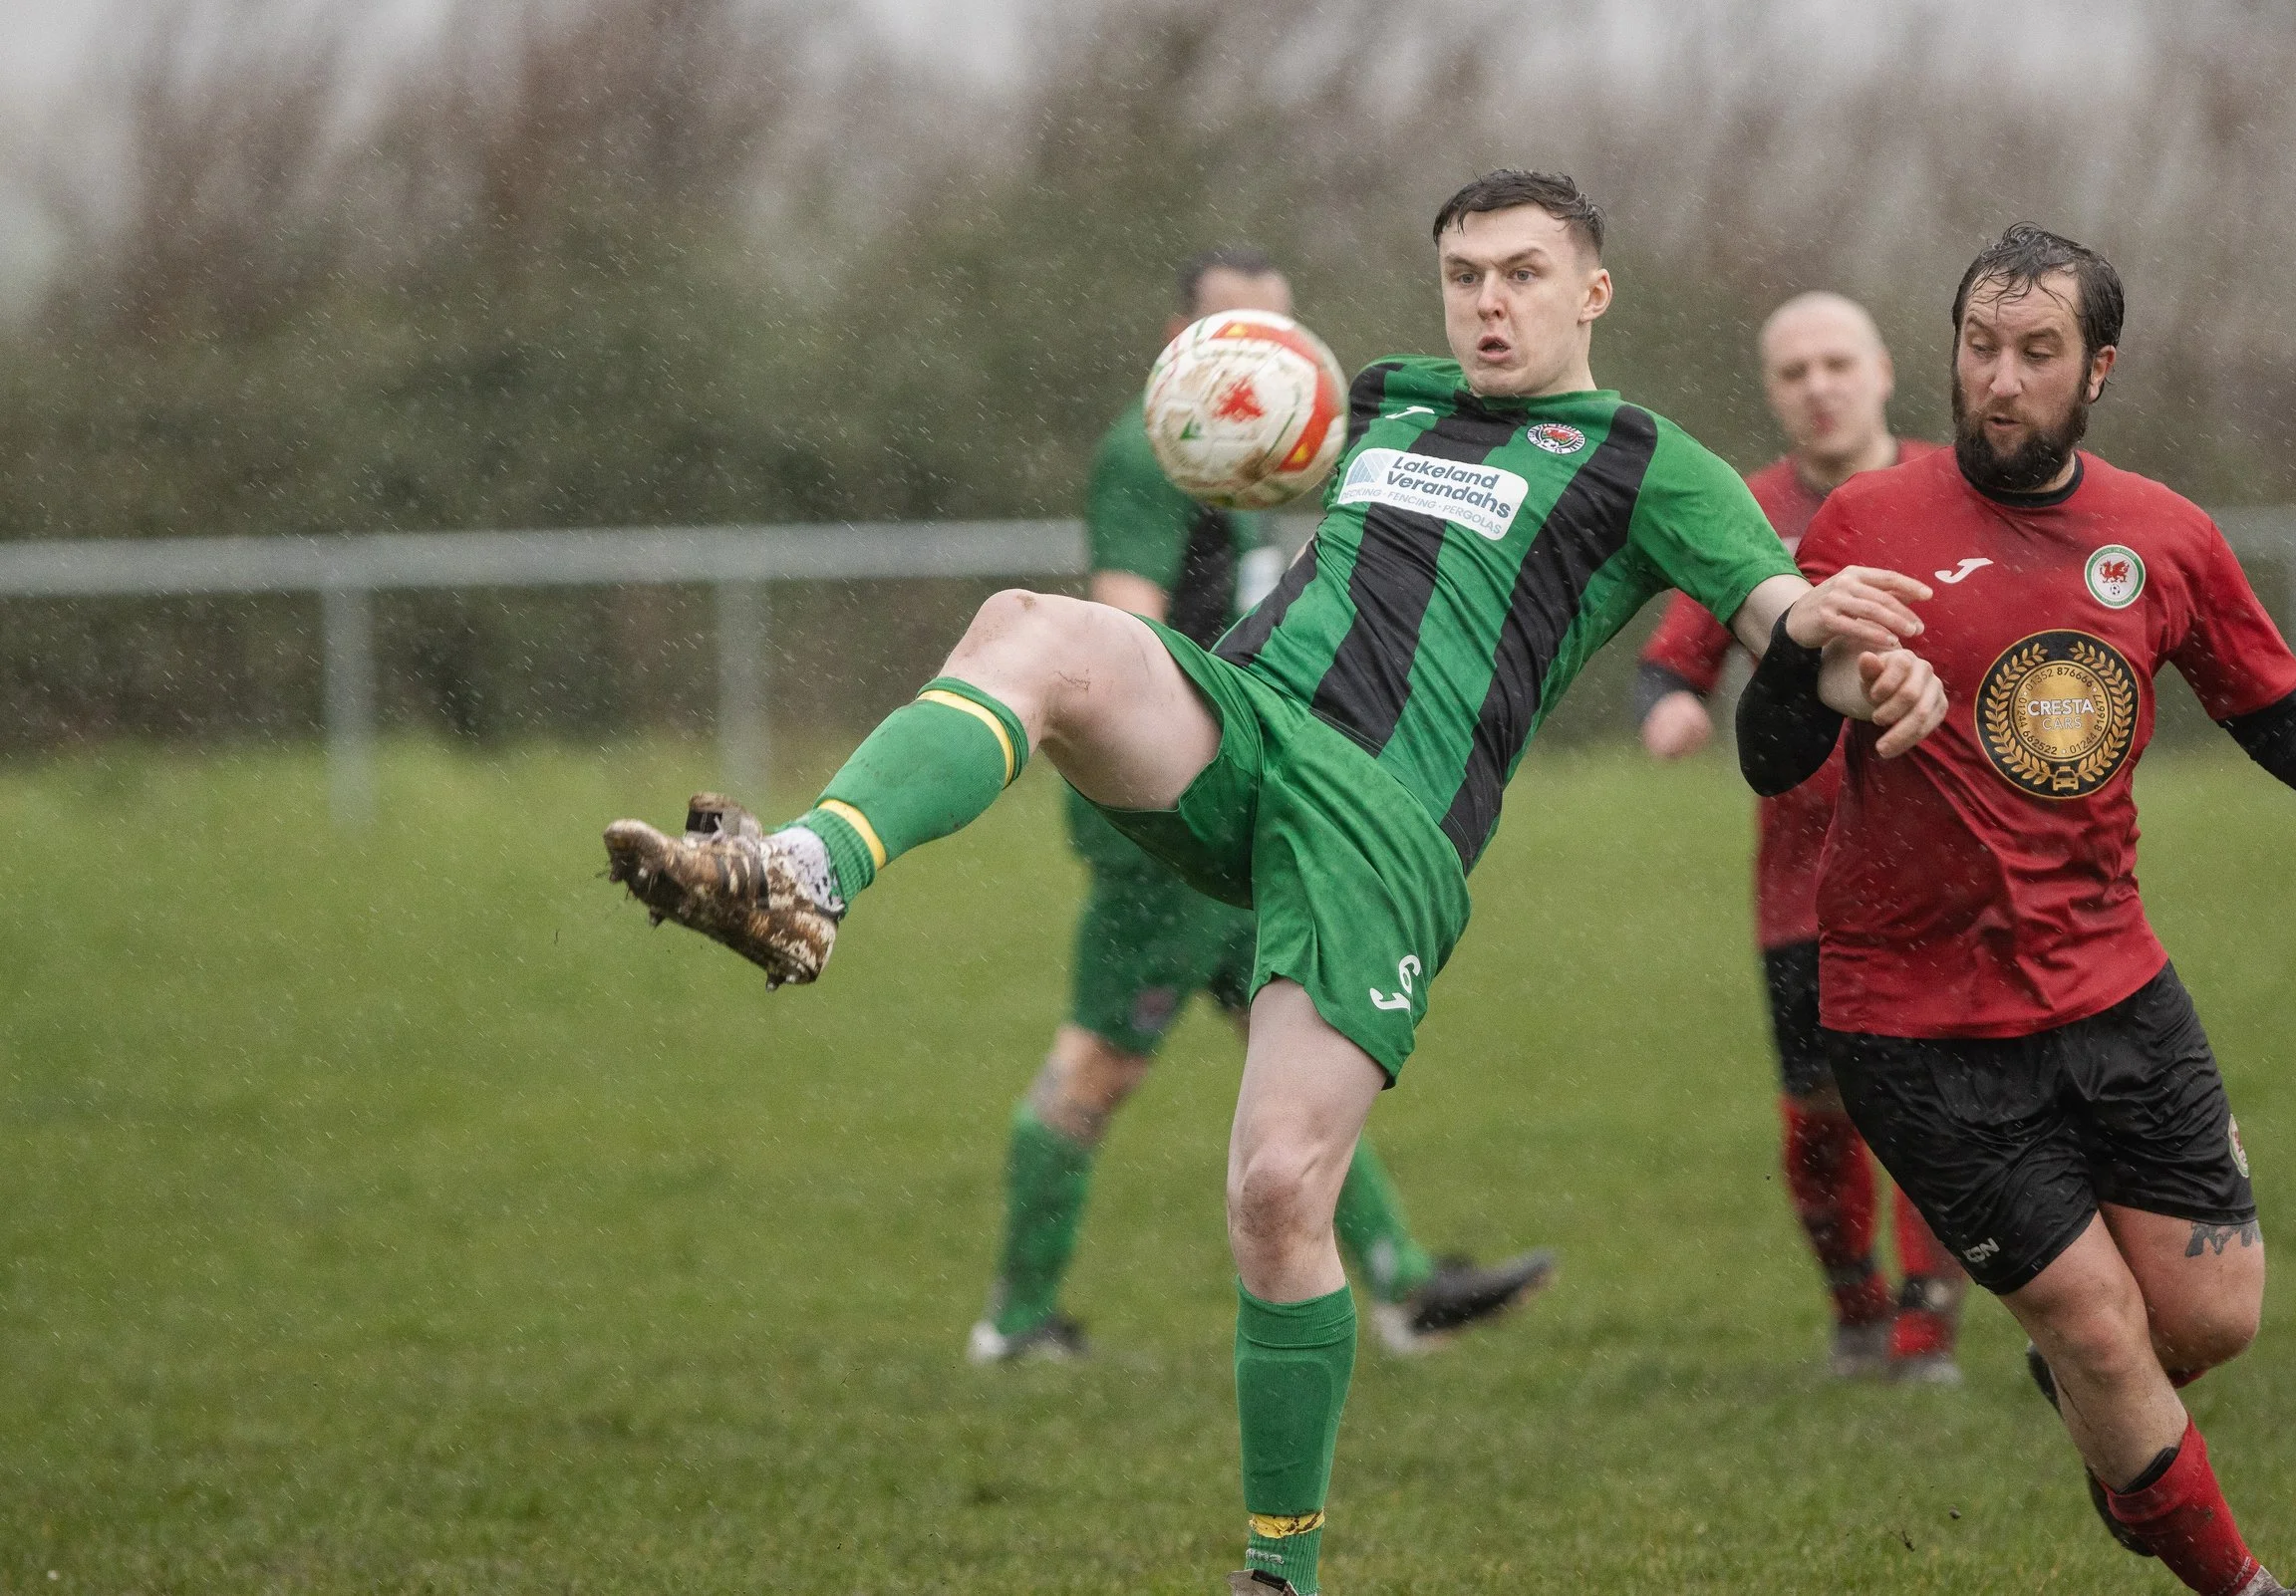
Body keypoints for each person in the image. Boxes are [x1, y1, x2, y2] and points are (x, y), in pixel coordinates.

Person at [604, 169, 1946, 1596]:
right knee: (1029, 628)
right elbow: (1250, 447)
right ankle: (803, 870)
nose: (1490, 301)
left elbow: (1782, 612)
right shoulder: (1385, 393)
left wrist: (1868, 654)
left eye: (1524, 274)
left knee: (1277, 1188)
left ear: (1592, 291)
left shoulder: (1642, 456)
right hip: (1245, 724)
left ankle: (1278, 1572)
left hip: (1386, 824)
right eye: (1466, 273)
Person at [1742, 222, 2296, 1596]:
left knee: (2206, 1316)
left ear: (2099, 371)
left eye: (2037, 354)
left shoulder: (2162, 535)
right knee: (2095, 1320)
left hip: (2115, 990)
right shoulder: (1868, 525)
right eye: (1979, 348)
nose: (2000, 380)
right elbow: (1770, 754)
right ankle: (2241, 1578)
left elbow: (2269, 708)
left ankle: (2101, 1402)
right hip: (1914, 1018)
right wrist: (1797, 647)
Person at [969, 247, 1556, 1366]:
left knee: (1300, 1028)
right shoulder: (1151, 451)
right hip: (1165, 826)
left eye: (1279, 328)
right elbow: (1120, 629)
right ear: (1178, 332)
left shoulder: (1243, 452)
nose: (1260, 354)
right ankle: (1014, 1321)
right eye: (1233, 326)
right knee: (1098, 1063)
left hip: (1226, 796)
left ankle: (1399, 1282)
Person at [1634, 293, 1968, 1382]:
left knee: (1927, 1094)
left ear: (1880, 370)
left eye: (1836, 362)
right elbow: (1672, 654)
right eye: (1793, 371)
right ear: (1772, 391)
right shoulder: (1746, 514)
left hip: (1940, 858)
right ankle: (1856, 1306)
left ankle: (1928, 1324)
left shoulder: (1955, 493)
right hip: (1801, 881)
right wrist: (1667, 706)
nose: (1818, 385)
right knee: (1820, 1111)